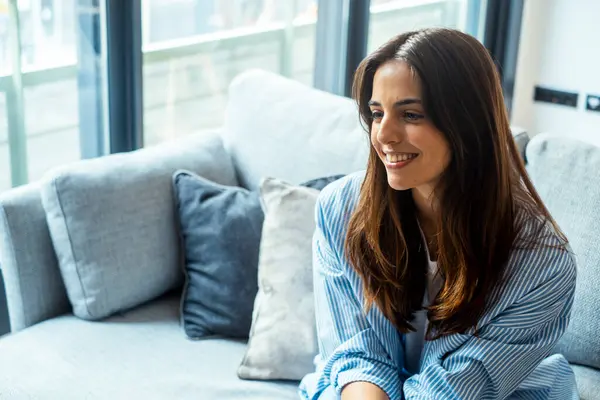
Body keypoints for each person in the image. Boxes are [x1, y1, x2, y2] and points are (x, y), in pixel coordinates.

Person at [299, 28, 578, 399]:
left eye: (410, 114)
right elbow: (358, 355)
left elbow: (453, 391)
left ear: (467, 123)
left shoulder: (542, 263)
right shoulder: (341, 210)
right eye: (377, 113)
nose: (384, 135)